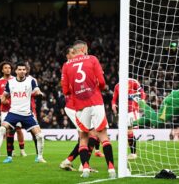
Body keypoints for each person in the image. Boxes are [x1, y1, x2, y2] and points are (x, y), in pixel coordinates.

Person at [61, 40, 116, 178]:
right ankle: (111, 170)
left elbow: (65, 90)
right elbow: (102, 82)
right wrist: (99, 88)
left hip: (79, 105)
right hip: (96, 101)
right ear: (84, 48)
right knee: (103, 136)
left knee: (83, 137)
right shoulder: (92, 59)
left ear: (74, 50)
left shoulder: (66, 66)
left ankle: (84, 168)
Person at [0, 61, 46, 163]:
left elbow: (37, 90)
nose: (22, 71)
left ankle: (40, 157)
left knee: (39, 135)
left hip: (27, 113)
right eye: (19, 69)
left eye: (24, 69)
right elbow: (5, 95)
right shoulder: (10, 83)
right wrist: (2, 99)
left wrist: (40, 93)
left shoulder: (31, 81)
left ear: (26, 71)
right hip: (13, 112)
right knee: (2, 129)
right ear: (16, 71)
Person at [60, 45, 102, 172]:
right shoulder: (70, 66)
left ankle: (69, 162)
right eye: (74, 52)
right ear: (69, 54)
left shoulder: (78, 65)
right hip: (75, 107)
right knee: (92, 134)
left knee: (88, 136)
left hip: (80, 105)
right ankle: (83, 165)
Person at [0, 61, 27, 164]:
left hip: (17, 109)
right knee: (7, 130)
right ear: (2, 70)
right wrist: (1, 98)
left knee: (18, 129)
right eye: (5, 68)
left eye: (9, 68)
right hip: (5, 110)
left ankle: (22, 150)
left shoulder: (15, 80)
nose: (8, 69)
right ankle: (8, 151)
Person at [112, 78, 146, 160]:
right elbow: (114, 99)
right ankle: (132, 153)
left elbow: (142, 93)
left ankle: (133, 153)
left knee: (129, 131)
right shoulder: (117, 86)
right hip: (123, 111)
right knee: (126, 132)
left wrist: (142, 101)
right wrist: (113, 105)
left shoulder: (133, 82)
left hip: (132, 110)